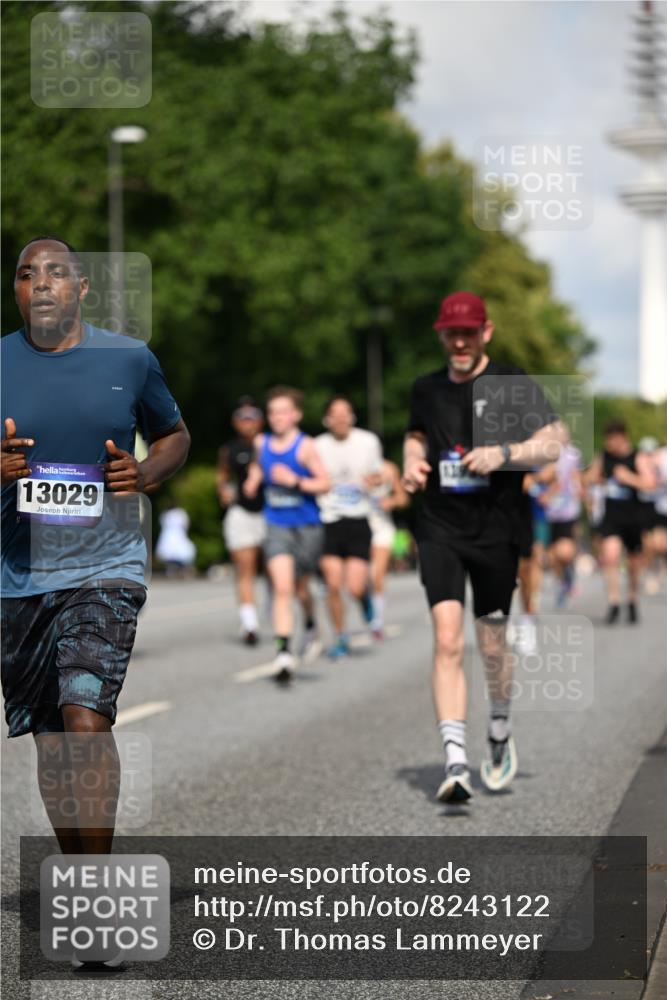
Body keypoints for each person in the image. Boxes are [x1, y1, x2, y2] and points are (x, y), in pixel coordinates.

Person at [1, 237, 190, 861]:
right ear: (18, 292)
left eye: (57, 273)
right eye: (29, 275)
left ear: (82, 289)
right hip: (18, 571)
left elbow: (173, 435)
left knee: (85, 714)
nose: (43, 284)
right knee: (52, 736)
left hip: (106, 563)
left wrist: (146, 473)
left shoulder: (130, 358)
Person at [403, 291, 566, 804]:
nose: (459, 341)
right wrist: (411, 462)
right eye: (450, 333)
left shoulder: (511, 382)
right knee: (448, 638)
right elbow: (414, 436)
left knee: (492, 643)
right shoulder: (425, 389)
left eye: (468, 333)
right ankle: (455, 762)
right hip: (439, 526)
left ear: (485, 333)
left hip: (498, 529)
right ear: (441, 336)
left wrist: (505, 452)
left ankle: (498, 728)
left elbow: (556, 441)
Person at [244, 387, 329, 681]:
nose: (277, 417)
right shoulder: (261, 442)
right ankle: (283, 653)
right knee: (282, 588)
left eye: (283, 411)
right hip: (276, 523)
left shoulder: (306, 446)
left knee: (302, 589)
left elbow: (325, 483)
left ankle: (309, 621)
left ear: (296, 415)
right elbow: (258, 467)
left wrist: (295, 480)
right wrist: (254, 480)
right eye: (273, 412)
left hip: (307, 525)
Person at [315, 397, 383, 658]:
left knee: (354, 586)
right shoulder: (318, 445)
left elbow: (380, 475)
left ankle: (364, 598)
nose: (341, 418)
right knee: (332, 585)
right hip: (329, 519)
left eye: (346, 413)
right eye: (335, 414)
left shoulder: (367, 441)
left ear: (353, 417)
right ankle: (341, 637)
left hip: (358, 519)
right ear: (327, 419)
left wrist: (374, 479)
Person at [585, 420, 656, 624]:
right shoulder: (604, 457)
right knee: (610, 556)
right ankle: (614, 602)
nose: (610, 443)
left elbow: (650, 484)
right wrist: (595, 479)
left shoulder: (637, 457)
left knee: (634, 564)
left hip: (634, 518)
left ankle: (632, 598)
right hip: (611, 518)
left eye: (613, 439)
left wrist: (628, 478)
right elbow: (589, 478)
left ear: (623, 437)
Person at [217, 398, 266, 644]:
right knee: (245, 569)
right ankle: (250, 624)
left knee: (274, 570)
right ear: (236, 422)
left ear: (261, 420)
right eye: (242, 417)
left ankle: (275, 611)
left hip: (272, 513)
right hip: (242, 513)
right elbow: (222, 476)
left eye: (252, 416)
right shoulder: (230, 450)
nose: (248, 422)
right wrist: (224, 491)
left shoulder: (271, 445)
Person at [368, 458, 409, 639]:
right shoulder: (351, 463)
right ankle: (366, 605)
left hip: (382, 528)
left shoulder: (389, 468)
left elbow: (403, 498)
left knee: (377, 574)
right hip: (358, 526)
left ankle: (377, 621)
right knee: (360, 579)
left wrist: (390, 502)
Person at [544, 442, 583, 607]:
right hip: (545, 511)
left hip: (567, 511)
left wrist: (580, 491)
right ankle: (561, 582)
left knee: (565, 552)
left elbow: (575, 477)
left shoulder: (572, 454)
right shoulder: (539, 451)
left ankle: (568, 572)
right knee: (551, 555)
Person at [155, 506, 196, 578]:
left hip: (173, 535)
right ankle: (176, 569)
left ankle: (178, 569)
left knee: (177, 551)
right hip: (173, 534)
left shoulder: (169, 514)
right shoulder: (176, 513)